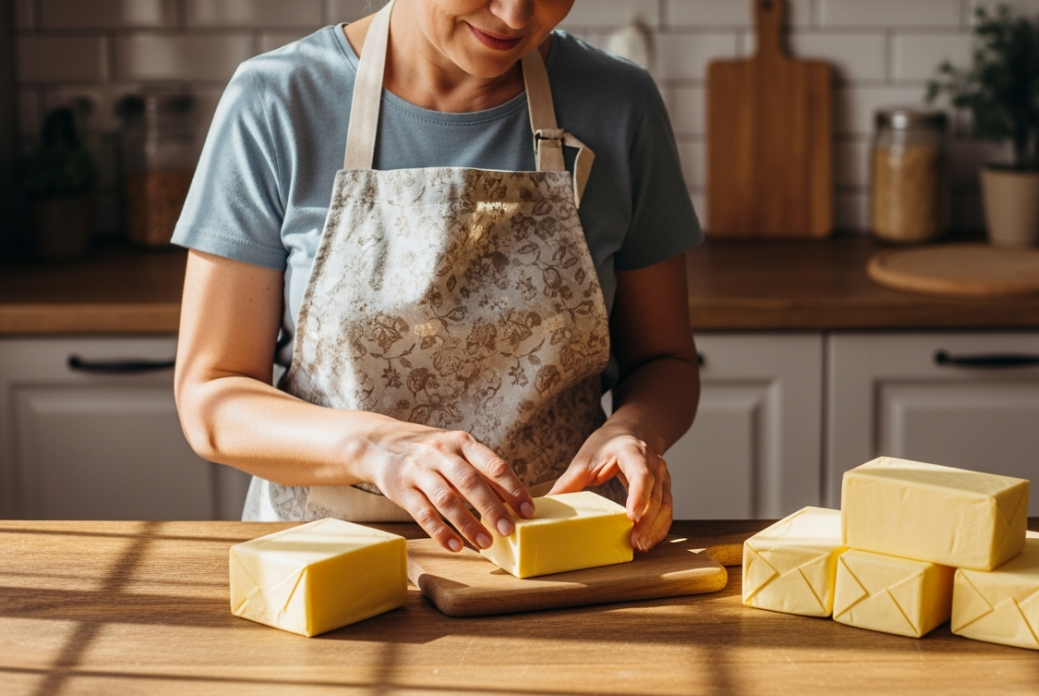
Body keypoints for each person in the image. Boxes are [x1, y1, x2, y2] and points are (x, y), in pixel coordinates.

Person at [171, 0, 701, 554]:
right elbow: (213, 396)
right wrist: (376, 447)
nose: (517, 15)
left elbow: (665, 361)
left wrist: (633, 430)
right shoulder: (278, 99)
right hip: (326, 553)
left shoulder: (621, 104)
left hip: (561, 552)